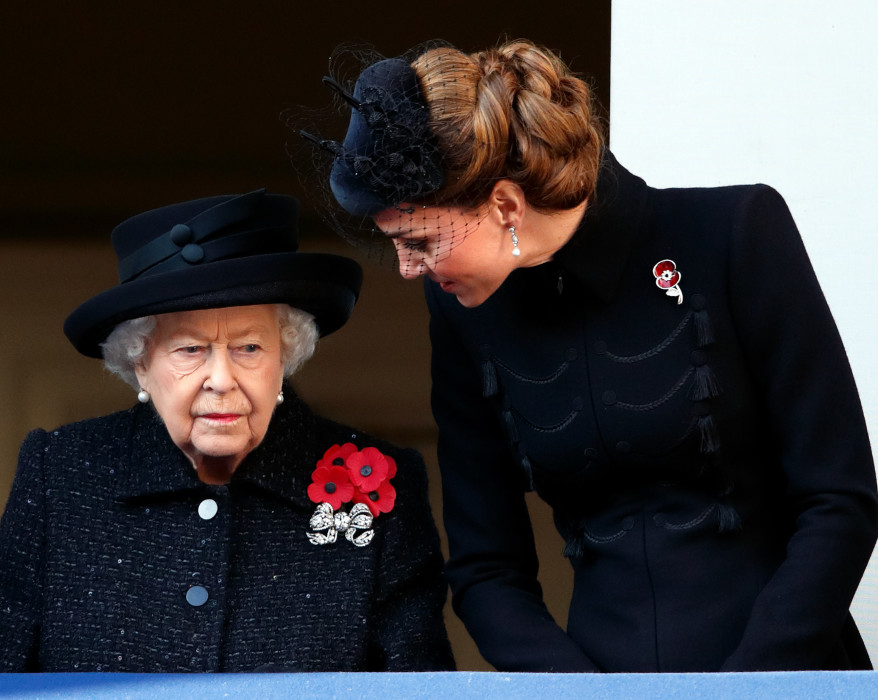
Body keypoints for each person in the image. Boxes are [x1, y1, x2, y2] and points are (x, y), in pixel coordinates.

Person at [298, 39, 878, 672]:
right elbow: (485, 567)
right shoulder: (463, 312)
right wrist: (577, 694)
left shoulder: (734, 231)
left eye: (420, 241)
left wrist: (747, 691)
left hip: (784, 674)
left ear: (505, 204)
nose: (408, 270)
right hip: (592, 682)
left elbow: (839, 501)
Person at [0, 190, 454, 672]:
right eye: (190, 349)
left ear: (285, 356)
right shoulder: (62, 473)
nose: (221, 379)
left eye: (249, 348)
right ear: (140, 364)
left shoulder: (381, 482)